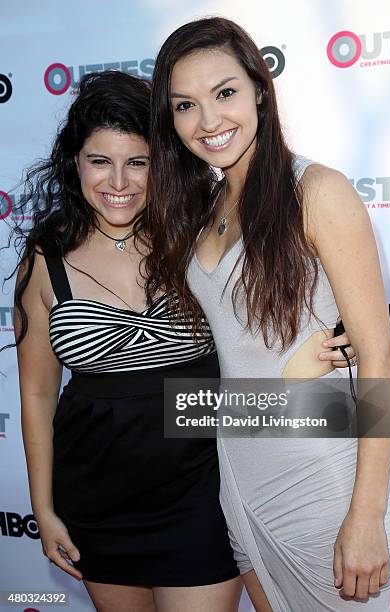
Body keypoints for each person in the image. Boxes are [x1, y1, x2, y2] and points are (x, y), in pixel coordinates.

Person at [145, 17, 390, 612]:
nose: (208, 121)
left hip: (321, 481)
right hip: (238, 477)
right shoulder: (204, 209)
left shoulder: (318, 190)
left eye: (225, 93)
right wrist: (285, 382)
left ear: (260, 88)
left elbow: (381, 356)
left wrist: (364, 515)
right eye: (186, 104)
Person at [13, 70, 243, 612]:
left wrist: (340, 347)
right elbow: (38, 394)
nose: (119, 181)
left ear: (160, 163)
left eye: (137, 161)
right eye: (100, 161)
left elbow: (266, 326)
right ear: (75, 162)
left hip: (201, 496)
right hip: (96, 503)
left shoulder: (198, 235)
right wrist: (43, 509)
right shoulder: (46, 258)